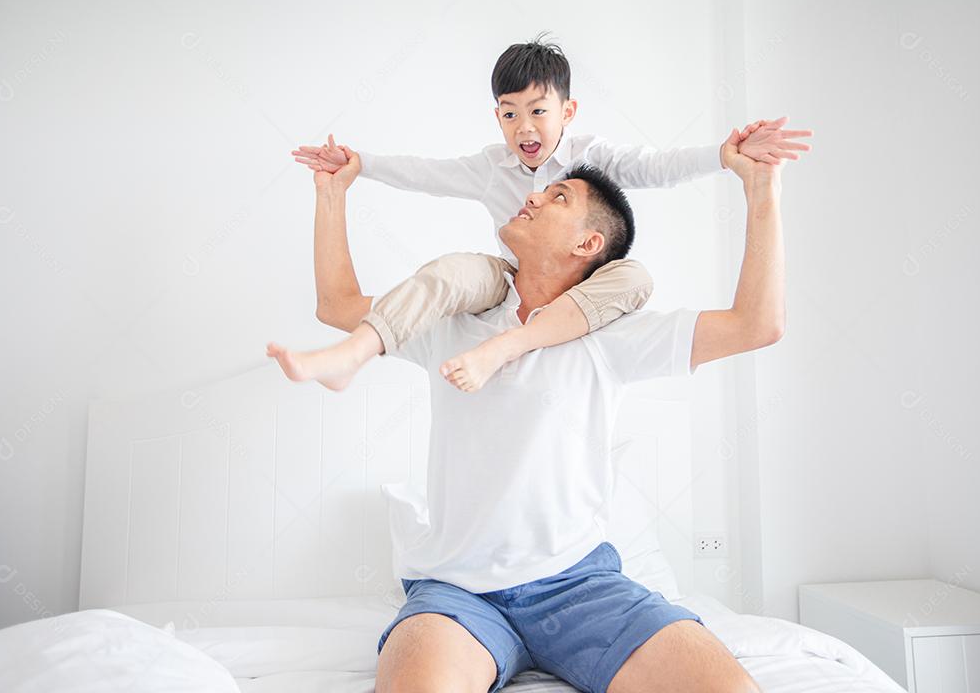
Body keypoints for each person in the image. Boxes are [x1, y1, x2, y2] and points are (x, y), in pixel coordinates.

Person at [266, 119, 796, 692]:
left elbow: (756, 325)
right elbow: (338, 305)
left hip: (581, 587)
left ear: (588, 244)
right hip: (457, 593)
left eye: (558, 197)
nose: (533, 193)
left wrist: (760, 188)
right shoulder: (452, 323)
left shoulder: (612, 337)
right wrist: (332, 192)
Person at [284, 35, 810, 393]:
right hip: (507, 279)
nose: (524, 128)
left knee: (633, 273)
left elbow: (658, 167)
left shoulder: (593, 158)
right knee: (460, 271)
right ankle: (354, 354)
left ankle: (516, 342)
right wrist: (362, 166)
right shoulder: (492, 168)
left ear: (568, 111)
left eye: (538, 111)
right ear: (497, 117)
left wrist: (724, 157)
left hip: (582, 294)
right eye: (510, 115)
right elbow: (427, 174)